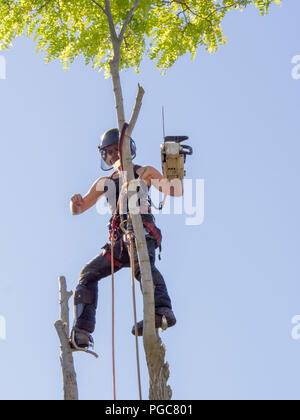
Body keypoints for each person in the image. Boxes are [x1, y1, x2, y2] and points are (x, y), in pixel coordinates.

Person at [70, 128, 182, 349]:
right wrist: (74, 202)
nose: (113, 156)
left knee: (143, 268)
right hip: (120, 240)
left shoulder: (144, 172)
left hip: (141, 229)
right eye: (108, 152)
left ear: (126, 150)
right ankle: (82, 331)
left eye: (116, 151)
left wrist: (174, 165)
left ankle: (162, 310)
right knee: (88, 274)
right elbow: (79, 208)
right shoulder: (105, 181)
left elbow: (175, 191)